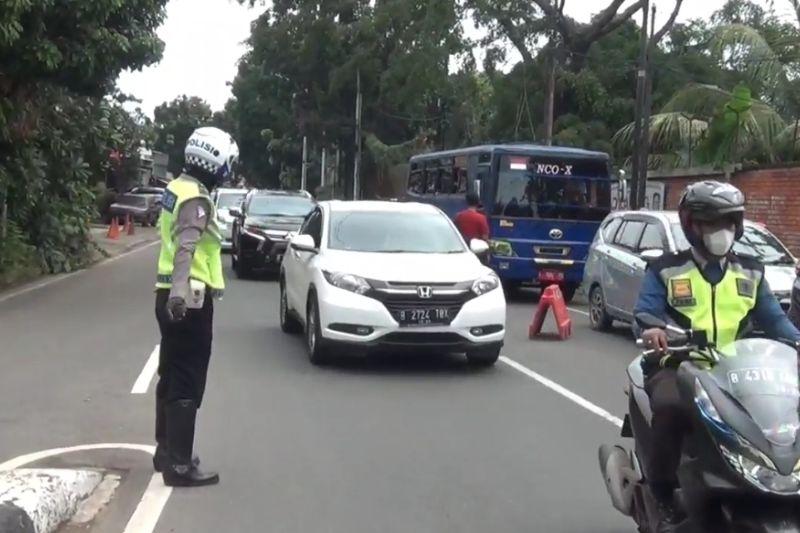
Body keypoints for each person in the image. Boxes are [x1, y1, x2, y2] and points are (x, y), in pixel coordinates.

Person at [632, 180, 800, 531]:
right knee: (669, 409)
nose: (720, 231)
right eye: (710, 223)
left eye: (727, 222)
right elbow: (645, 314)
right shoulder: (665, 269)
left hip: (735, 369)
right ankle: (662, 493)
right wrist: (653, 331)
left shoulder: (751, 272)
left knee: (782, 416)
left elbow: (777, 322)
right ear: (691, 225)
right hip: (678, 364)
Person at [153, 127, 239, 487]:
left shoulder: (176, 188)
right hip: (188, 299)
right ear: (215, 163)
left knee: (171, 373)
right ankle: (180, 466)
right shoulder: (197, 200)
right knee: (187, 380)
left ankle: (166, 452)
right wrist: (179, 295)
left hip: (168, 294)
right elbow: (186, 248)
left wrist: (172, 294)